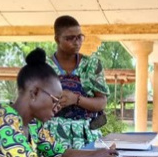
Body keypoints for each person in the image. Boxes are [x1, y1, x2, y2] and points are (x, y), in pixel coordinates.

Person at [44, 15, 109, 149]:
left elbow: (101, 103)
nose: (76, 42)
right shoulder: (43, 67)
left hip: (86, 136)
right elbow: (33, 104)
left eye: (79, 37)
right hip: (51, 137)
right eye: (69, 38)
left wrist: (76, 99)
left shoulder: (92, 64)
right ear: (57, 39)